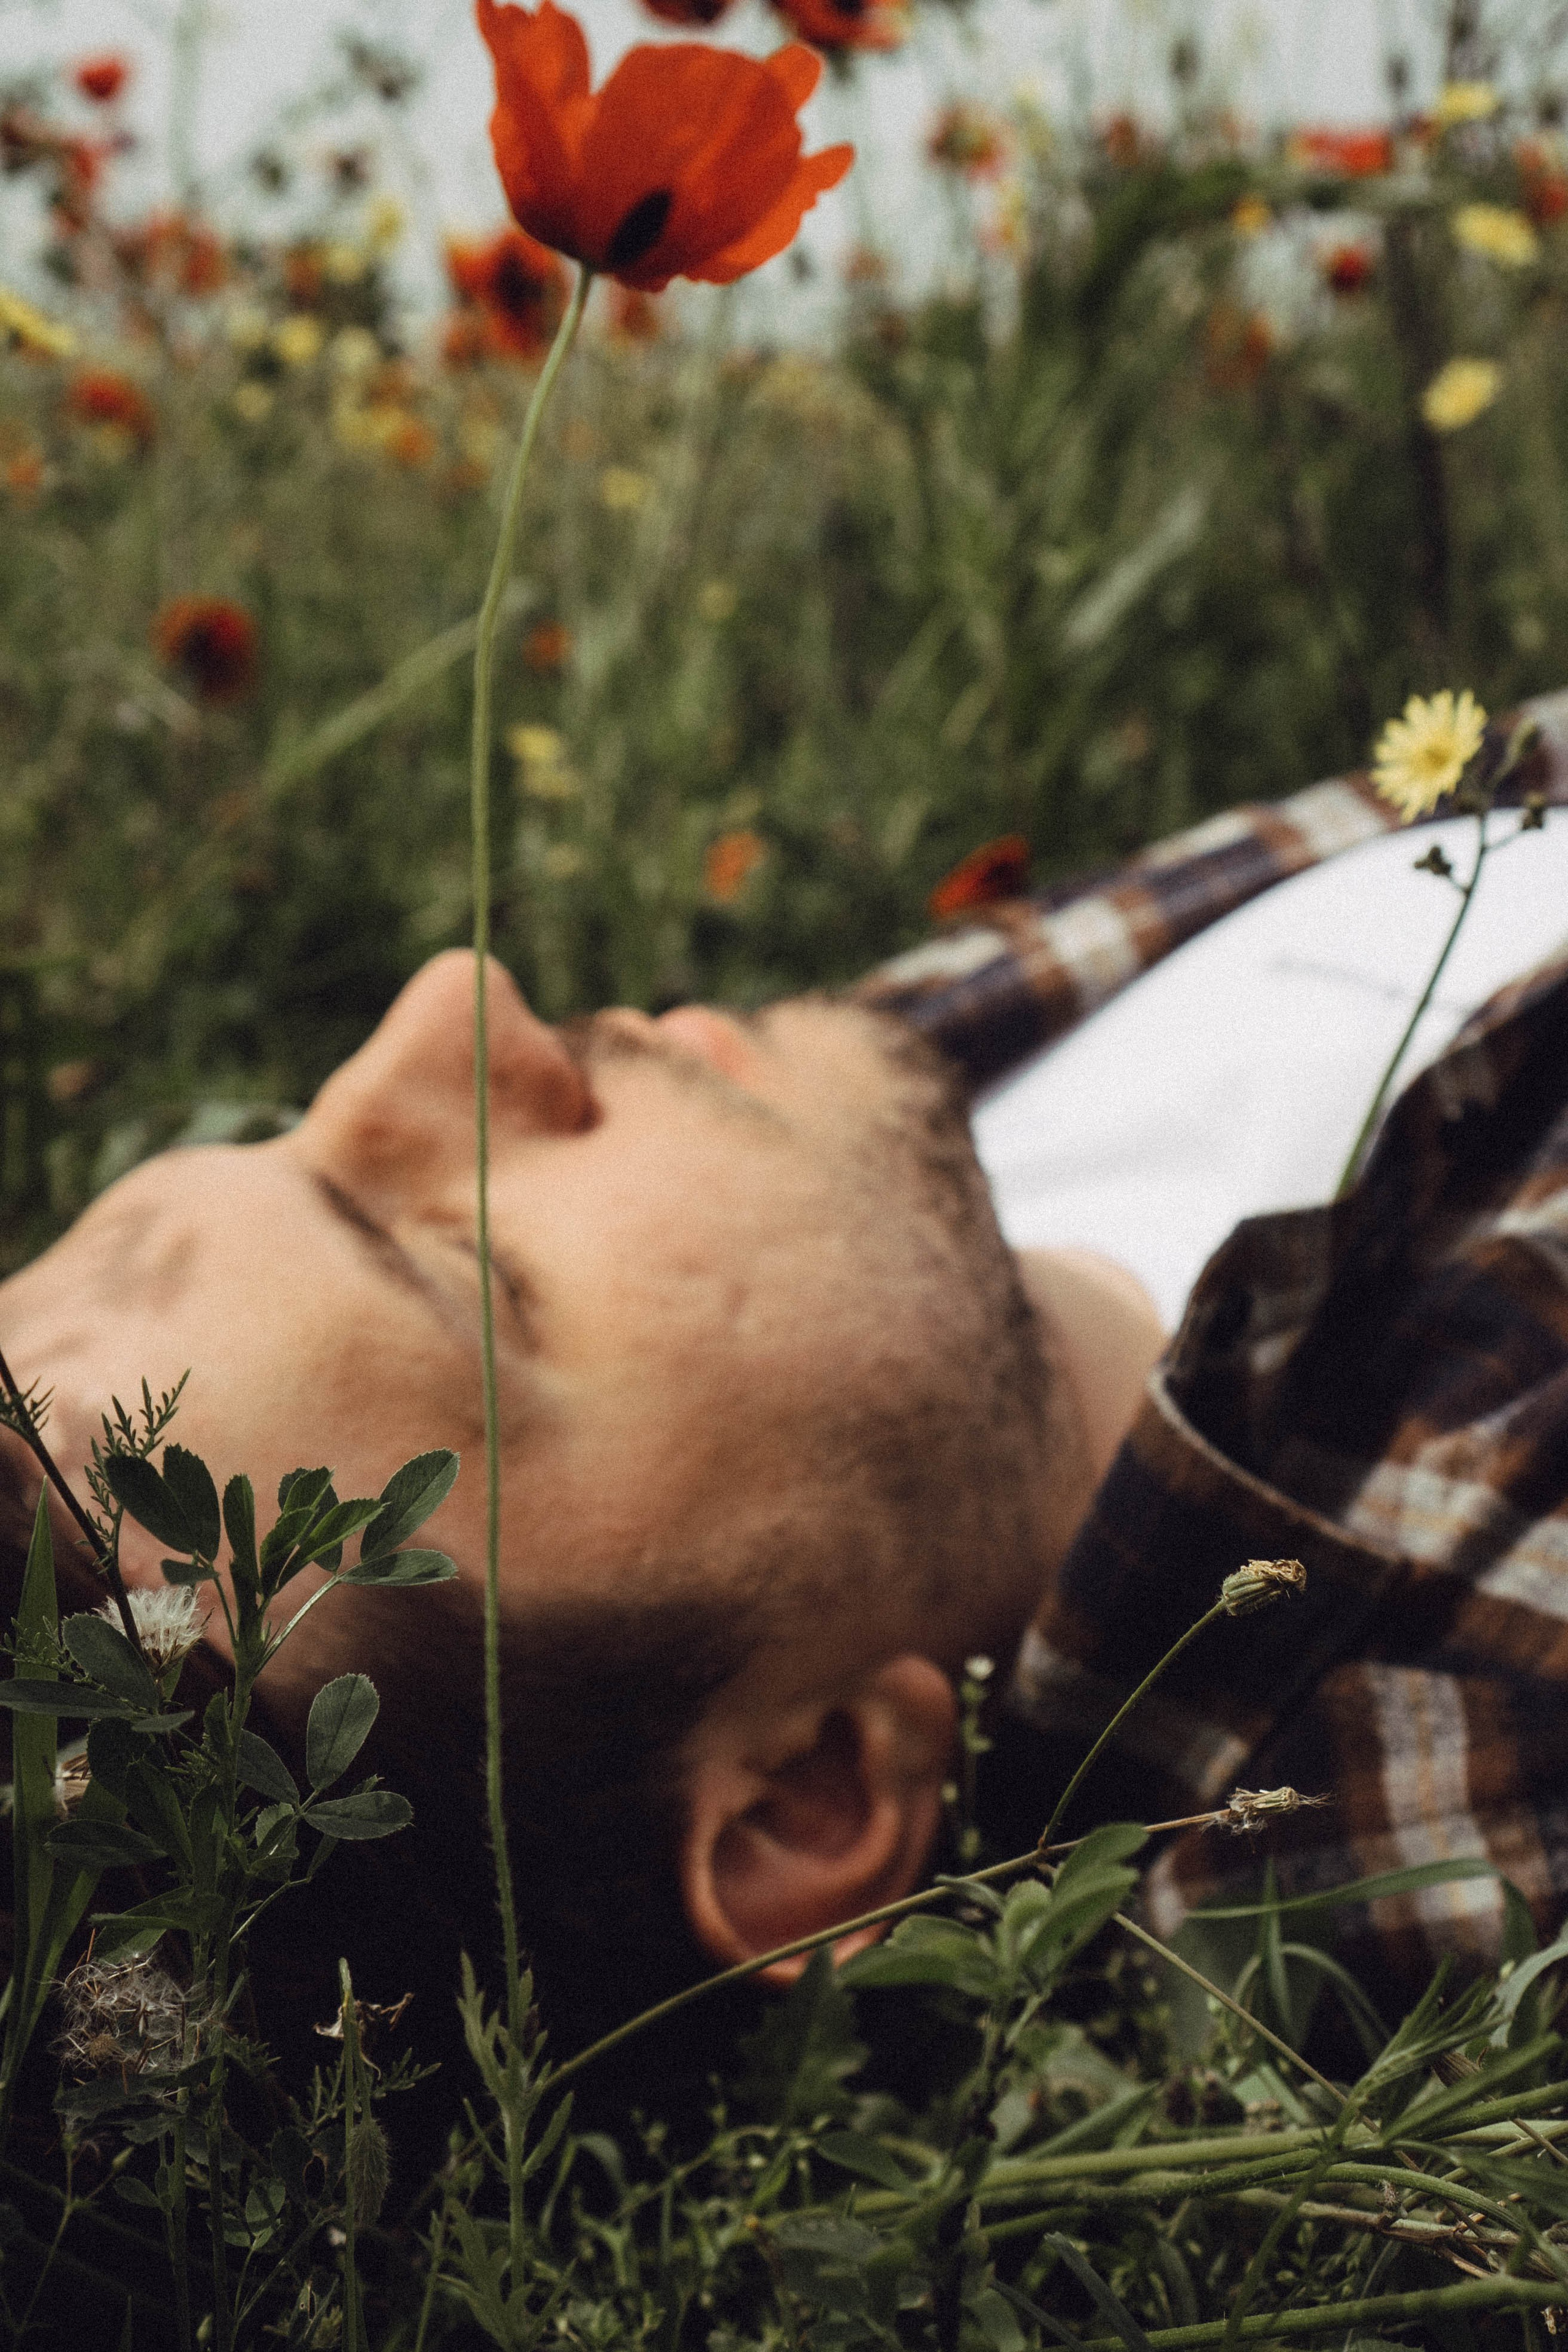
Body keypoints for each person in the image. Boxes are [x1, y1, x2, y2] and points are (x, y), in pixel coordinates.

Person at [3, 693, 1568, 2091]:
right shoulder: (1456, 1749)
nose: (458, 1009)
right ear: (803, 1799)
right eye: (465, 1254)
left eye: (294, 1125)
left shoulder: (868, 1168)